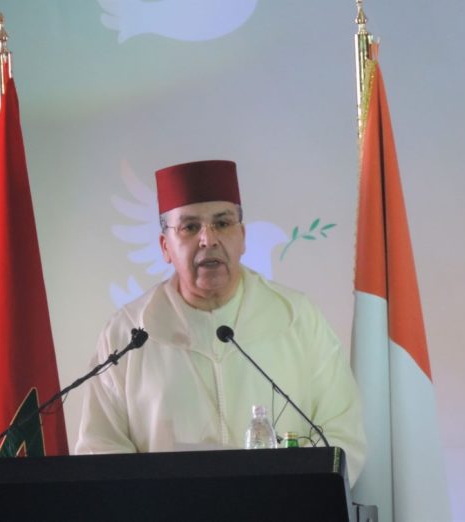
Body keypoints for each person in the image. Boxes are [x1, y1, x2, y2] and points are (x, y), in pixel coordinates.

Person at [76, 159, 366, 484]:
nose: (208, 239)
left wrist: (288, 497)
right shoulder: (127, 333)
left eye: (222, 223)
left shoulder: (297, 319)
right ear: (165, 247)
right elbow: (100, 449)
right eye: (189, 227)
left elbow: (341, 433)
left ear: (242, 236)